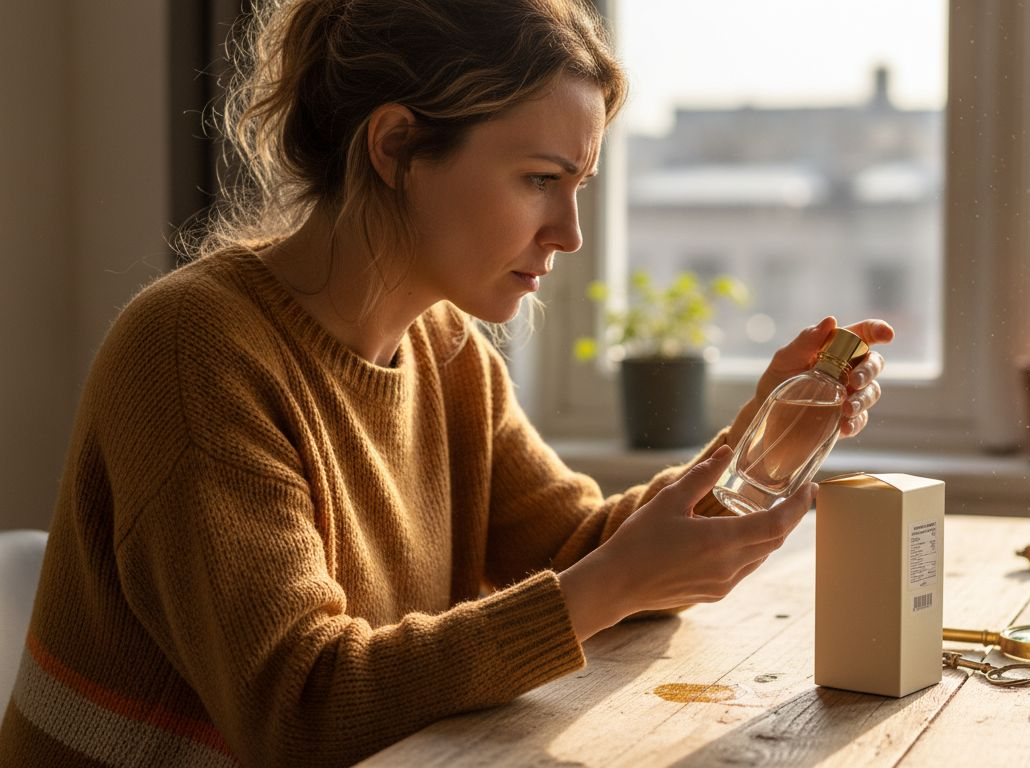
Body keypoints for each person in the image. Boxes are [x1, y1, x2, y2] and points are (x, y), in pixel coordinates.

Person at [0, 0, 893, 765]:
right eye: (540, 180)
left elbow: (581, 549)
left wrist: (771, 429)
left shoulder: (446, 350)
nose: (570, 233)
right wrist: (611, 583)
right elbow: (299, 712)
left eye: (577, 185)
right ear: (396, 146)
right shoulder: (194, 351)